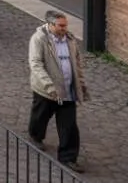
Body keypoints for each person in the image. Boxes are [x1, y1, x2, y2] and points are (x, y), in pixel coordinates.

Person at [27, 10, 88, 172]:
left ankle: (68, 157)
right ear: (50, 25)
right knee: (40, 116)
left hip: (68, 90)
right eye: (61, 25)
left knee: (69, 125)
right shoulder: (39, 39)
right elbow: (36, 64)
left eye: (65, 25)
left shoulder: (70, 39)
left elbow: (76, 62)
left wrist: (80, 83)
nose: (64, 28)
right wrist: (49, 85)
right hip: (46, 91)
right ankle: (36, 135)